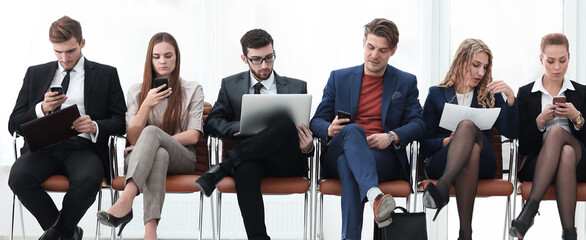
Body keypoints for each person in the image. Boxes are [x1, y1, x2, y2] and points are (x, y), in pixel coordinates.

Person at [7, 16, 126, 240]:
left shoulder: (106, 74)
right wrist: (40, 109)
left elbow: (121, 121)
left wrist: (94, 126)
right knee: (18, 178)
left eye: (70, 51)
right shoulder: (36, 73)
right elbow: (13, 123)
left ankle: (57, 234)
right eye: (58, 52)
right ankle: (66, 231)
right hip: (44, 148)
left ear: (82, 43)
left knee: (89, 179)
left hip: (84, 148)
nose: (64, 58)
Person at [310, 18, 425, 240]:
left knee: (348, 165)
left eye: (382, 50)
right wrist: (330, 129)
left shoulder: (405, 81)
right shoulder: (339, 78)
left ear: (393, 51)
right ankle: (375, 196)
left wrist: (391, 136)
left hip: (382, 157)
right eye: (371, 47)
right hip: (339, 150)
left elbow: (419, 124)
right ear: (364, 43)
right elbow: (316, 121)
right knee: (353, 131)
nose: (374, 55)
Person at [195, 29, 312, 240]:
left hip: (285, 161)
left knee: (285, 123)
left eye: (269, 58)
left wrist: (307, 147)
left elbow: (304, 129)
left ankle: (224, 167)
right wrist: (241, 127)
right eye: (256, 60)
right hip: (250, 159)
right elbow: (212, 123)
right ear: (244, 58)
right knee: (246, 168)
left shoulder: (296, 86)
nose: (264, 65)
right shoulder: (230, 85)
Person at [96, 32, 204, 239]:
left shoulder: (192, 89)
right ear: (150, 59)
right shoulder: (137, 92)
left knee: (152, 133)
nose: (162, 61)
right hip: (142, 158)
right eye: (156, 57)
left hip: (182, 157)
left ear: (177, 57)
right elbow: (134, 139)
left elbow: (192, 136)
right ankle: (150, 233)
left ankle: (126, 200)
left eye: (168, 55)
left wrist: (151, 139)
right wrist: (146, 104)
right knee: (160, 154)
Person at [420, 38, 518, 240]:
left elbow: (511, 132)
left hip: (485, 165)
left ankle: (442, 188)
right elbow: (424, 145)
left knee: (467, 128)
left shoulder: (491, 96)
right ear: (462, 61)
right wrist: (445, 142)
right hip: (442, 160)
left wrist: (510, 99)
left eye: (485, 67)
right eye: (476, 65)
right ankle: (466, 233)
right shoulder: (436, 94)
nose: (481, 73)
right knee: (470, 149)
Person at [510, 33, 586, 240]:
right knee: (564, 151)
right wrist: (540, 122)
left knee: (561, 136)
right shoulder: (526, 93)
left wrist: (576, 117)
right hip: (540, 162)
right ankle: (569, 233)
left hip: (581, 163)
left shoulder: (581, 92)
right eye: (550, 61)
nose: (557, 67)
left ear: (569, 58)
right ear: (541, 59)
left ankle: (529, 210)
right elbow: (523, 146)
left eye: (562, 61)